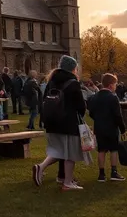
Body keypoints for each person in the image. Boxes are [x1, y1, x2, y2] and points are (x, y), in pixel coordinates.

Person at [32, 55, 86, 190]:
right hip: (68, 122)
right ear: (73, 68)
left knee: (58, 151)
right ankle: (67, 182)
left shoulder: (51, 81)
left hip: (51, 121)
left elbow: (44, 100)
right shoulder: (73, 83)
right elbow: (80, 105)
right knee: (70, 153)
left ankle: (42, 167)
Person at [88, 73, 126, 182]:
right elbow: (118, 115)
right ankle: (114, 172)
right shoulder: (113, 97)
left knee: (101, 150)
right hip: (111, 127)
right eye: (115, 84)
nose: (116, 86)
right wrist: (122, 129)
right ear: (110, 85)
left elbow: (91, 112)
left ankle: (101, 174)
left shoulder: (94, 97)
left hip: (99, 127)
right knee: (113, 149)